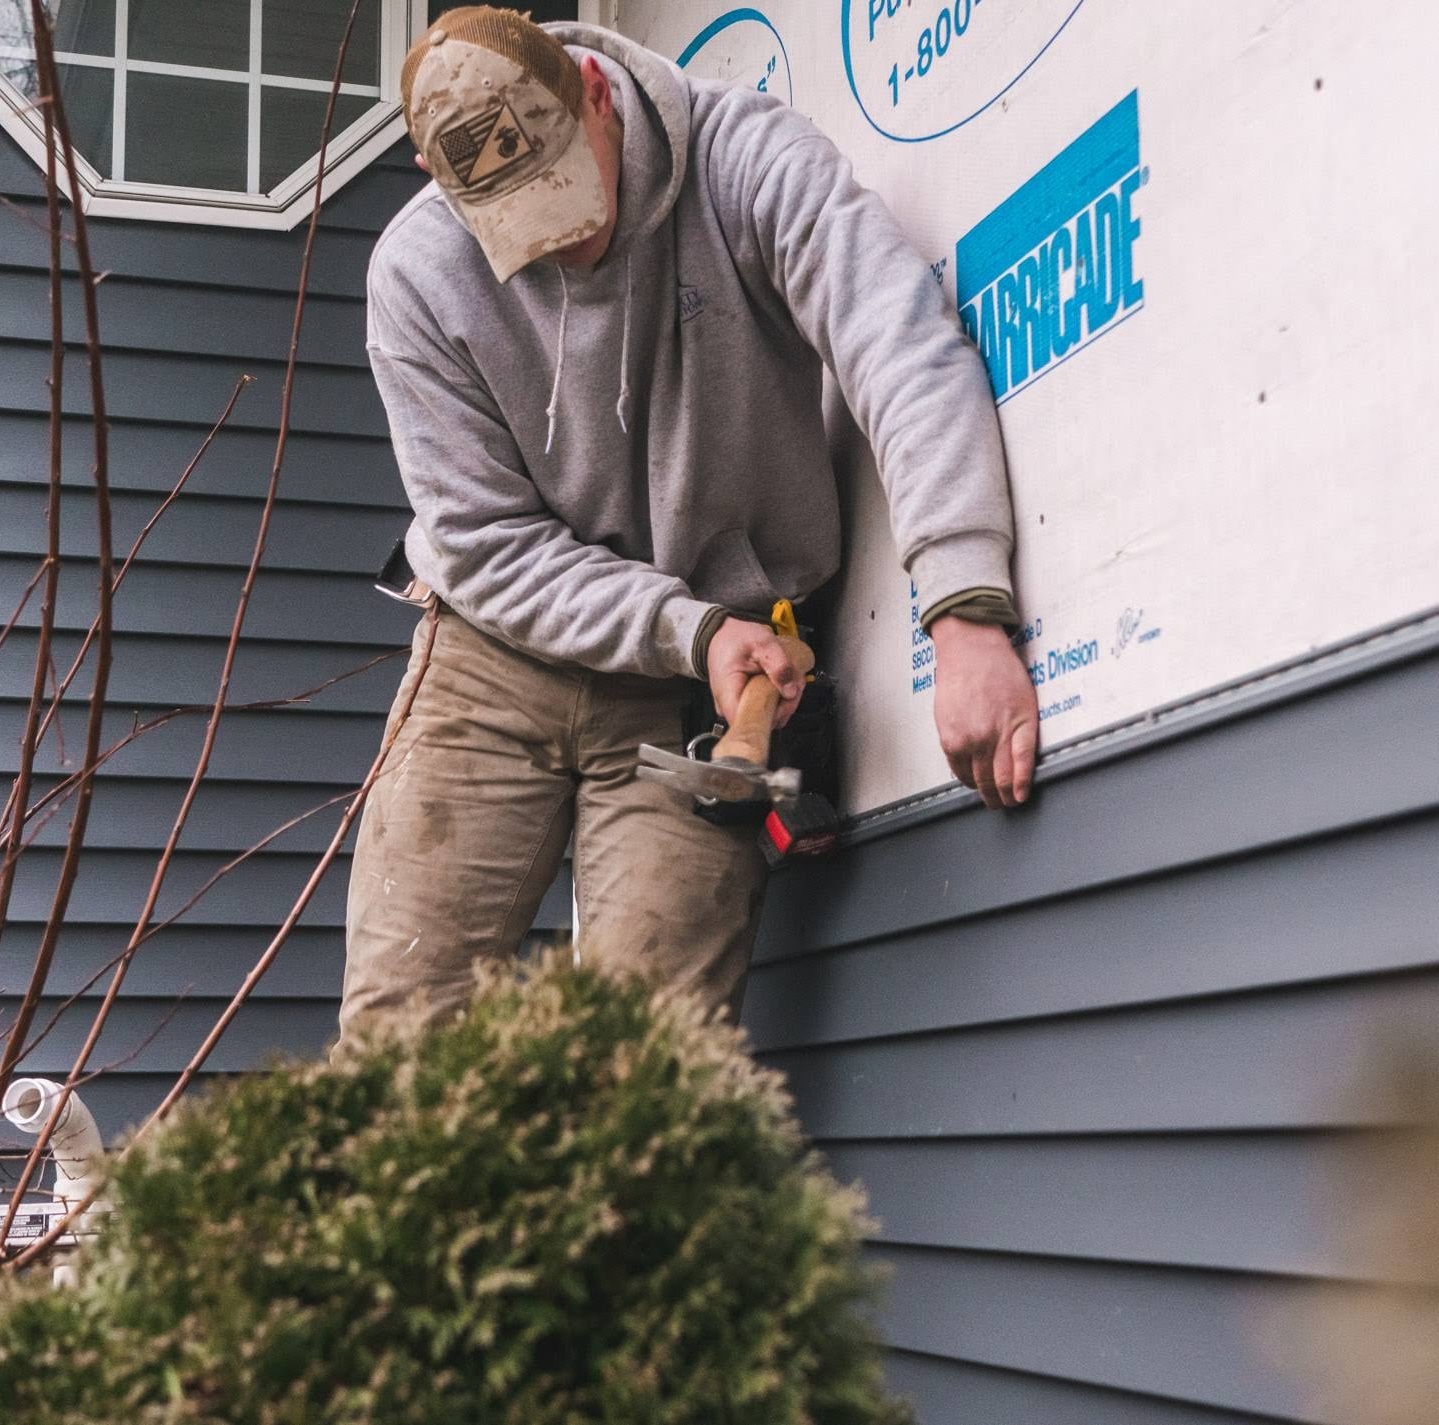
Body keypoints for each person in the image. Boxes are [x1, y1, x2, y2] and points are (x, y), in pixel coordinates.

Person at [338, 7, 1036, 1043]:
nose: (560, 243)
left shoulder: (747, 162)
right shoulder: (417, 275)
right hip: (497, 649)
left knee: (645, 1065)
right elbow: (486, 542)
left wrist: (966, 607)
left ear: (599, 98)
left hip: (703, 684)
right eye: (520, 223)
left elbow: (900, 347)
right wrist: (686, 627)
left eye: (568, 199)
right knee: (401, 1031)